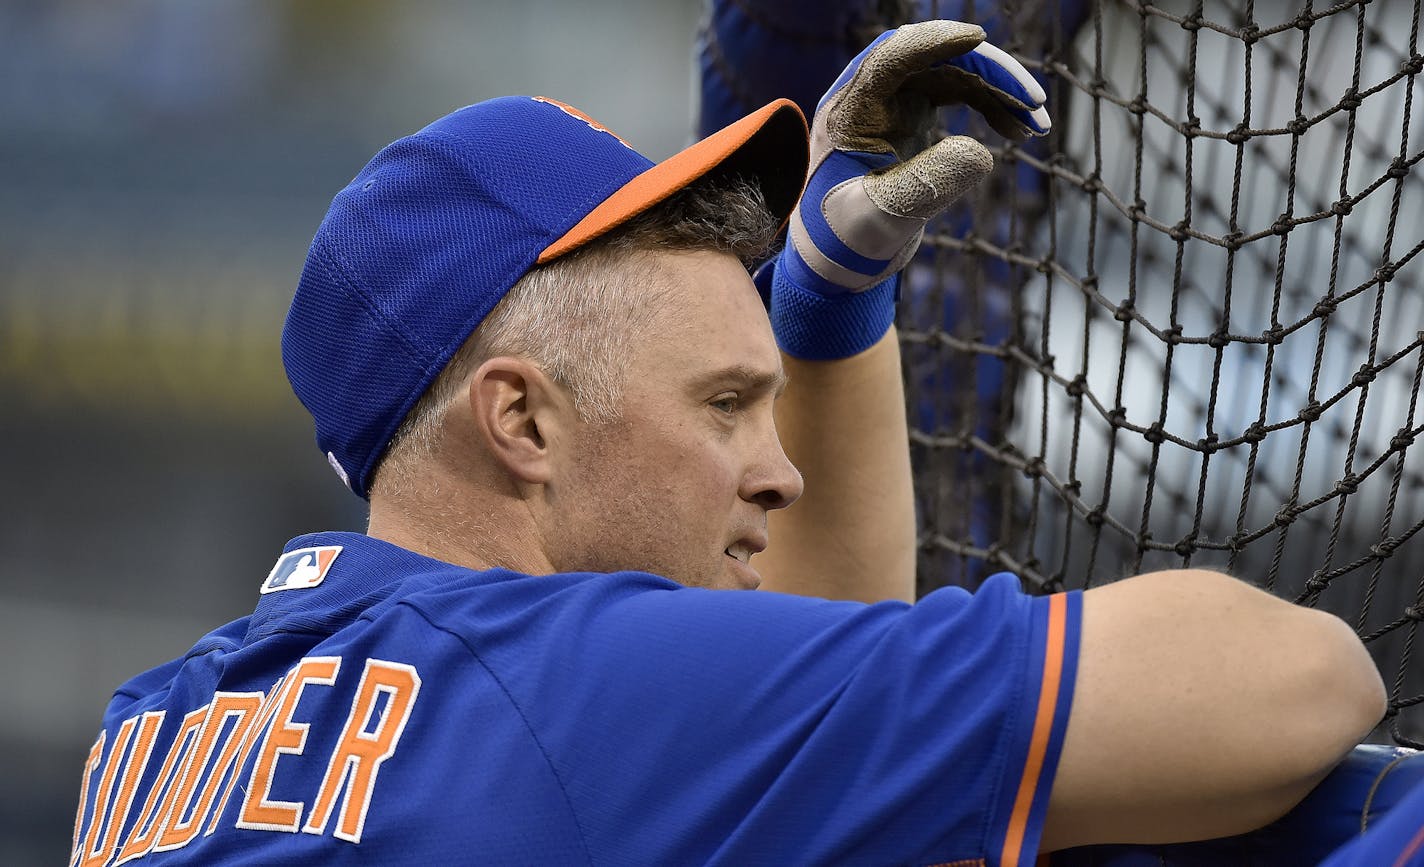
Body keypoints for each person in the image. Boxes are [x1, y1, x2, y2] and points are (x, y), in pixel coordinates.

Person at [70, 21, 1389, 866]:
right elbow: (1298, 684)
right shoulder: (570, 688)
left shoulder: (156, 729)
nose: (779, 468)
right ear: (522, 421)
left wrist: (825, 309)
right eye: (719, 405)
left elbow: (797, 758)